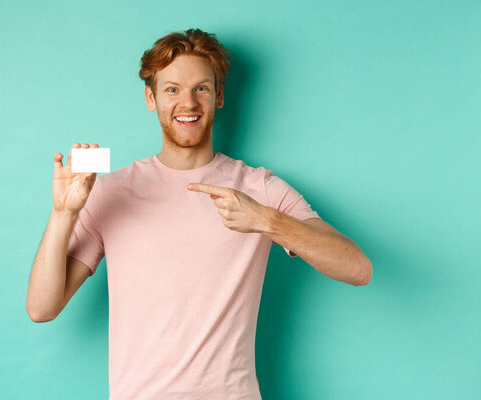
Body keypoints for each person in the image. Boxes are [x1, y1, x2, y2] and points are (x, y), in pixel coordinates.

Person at [26, 28, 372, 399]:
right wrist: (64, 213)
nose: (187, 103)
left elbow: (358, 269)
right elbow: (42, 308)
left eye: (201, 89)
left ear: (219, 95)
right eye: (172, 89)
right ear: (150, 97)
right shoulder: (110, 190)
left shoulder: (259, 188)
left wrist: (267, 221)